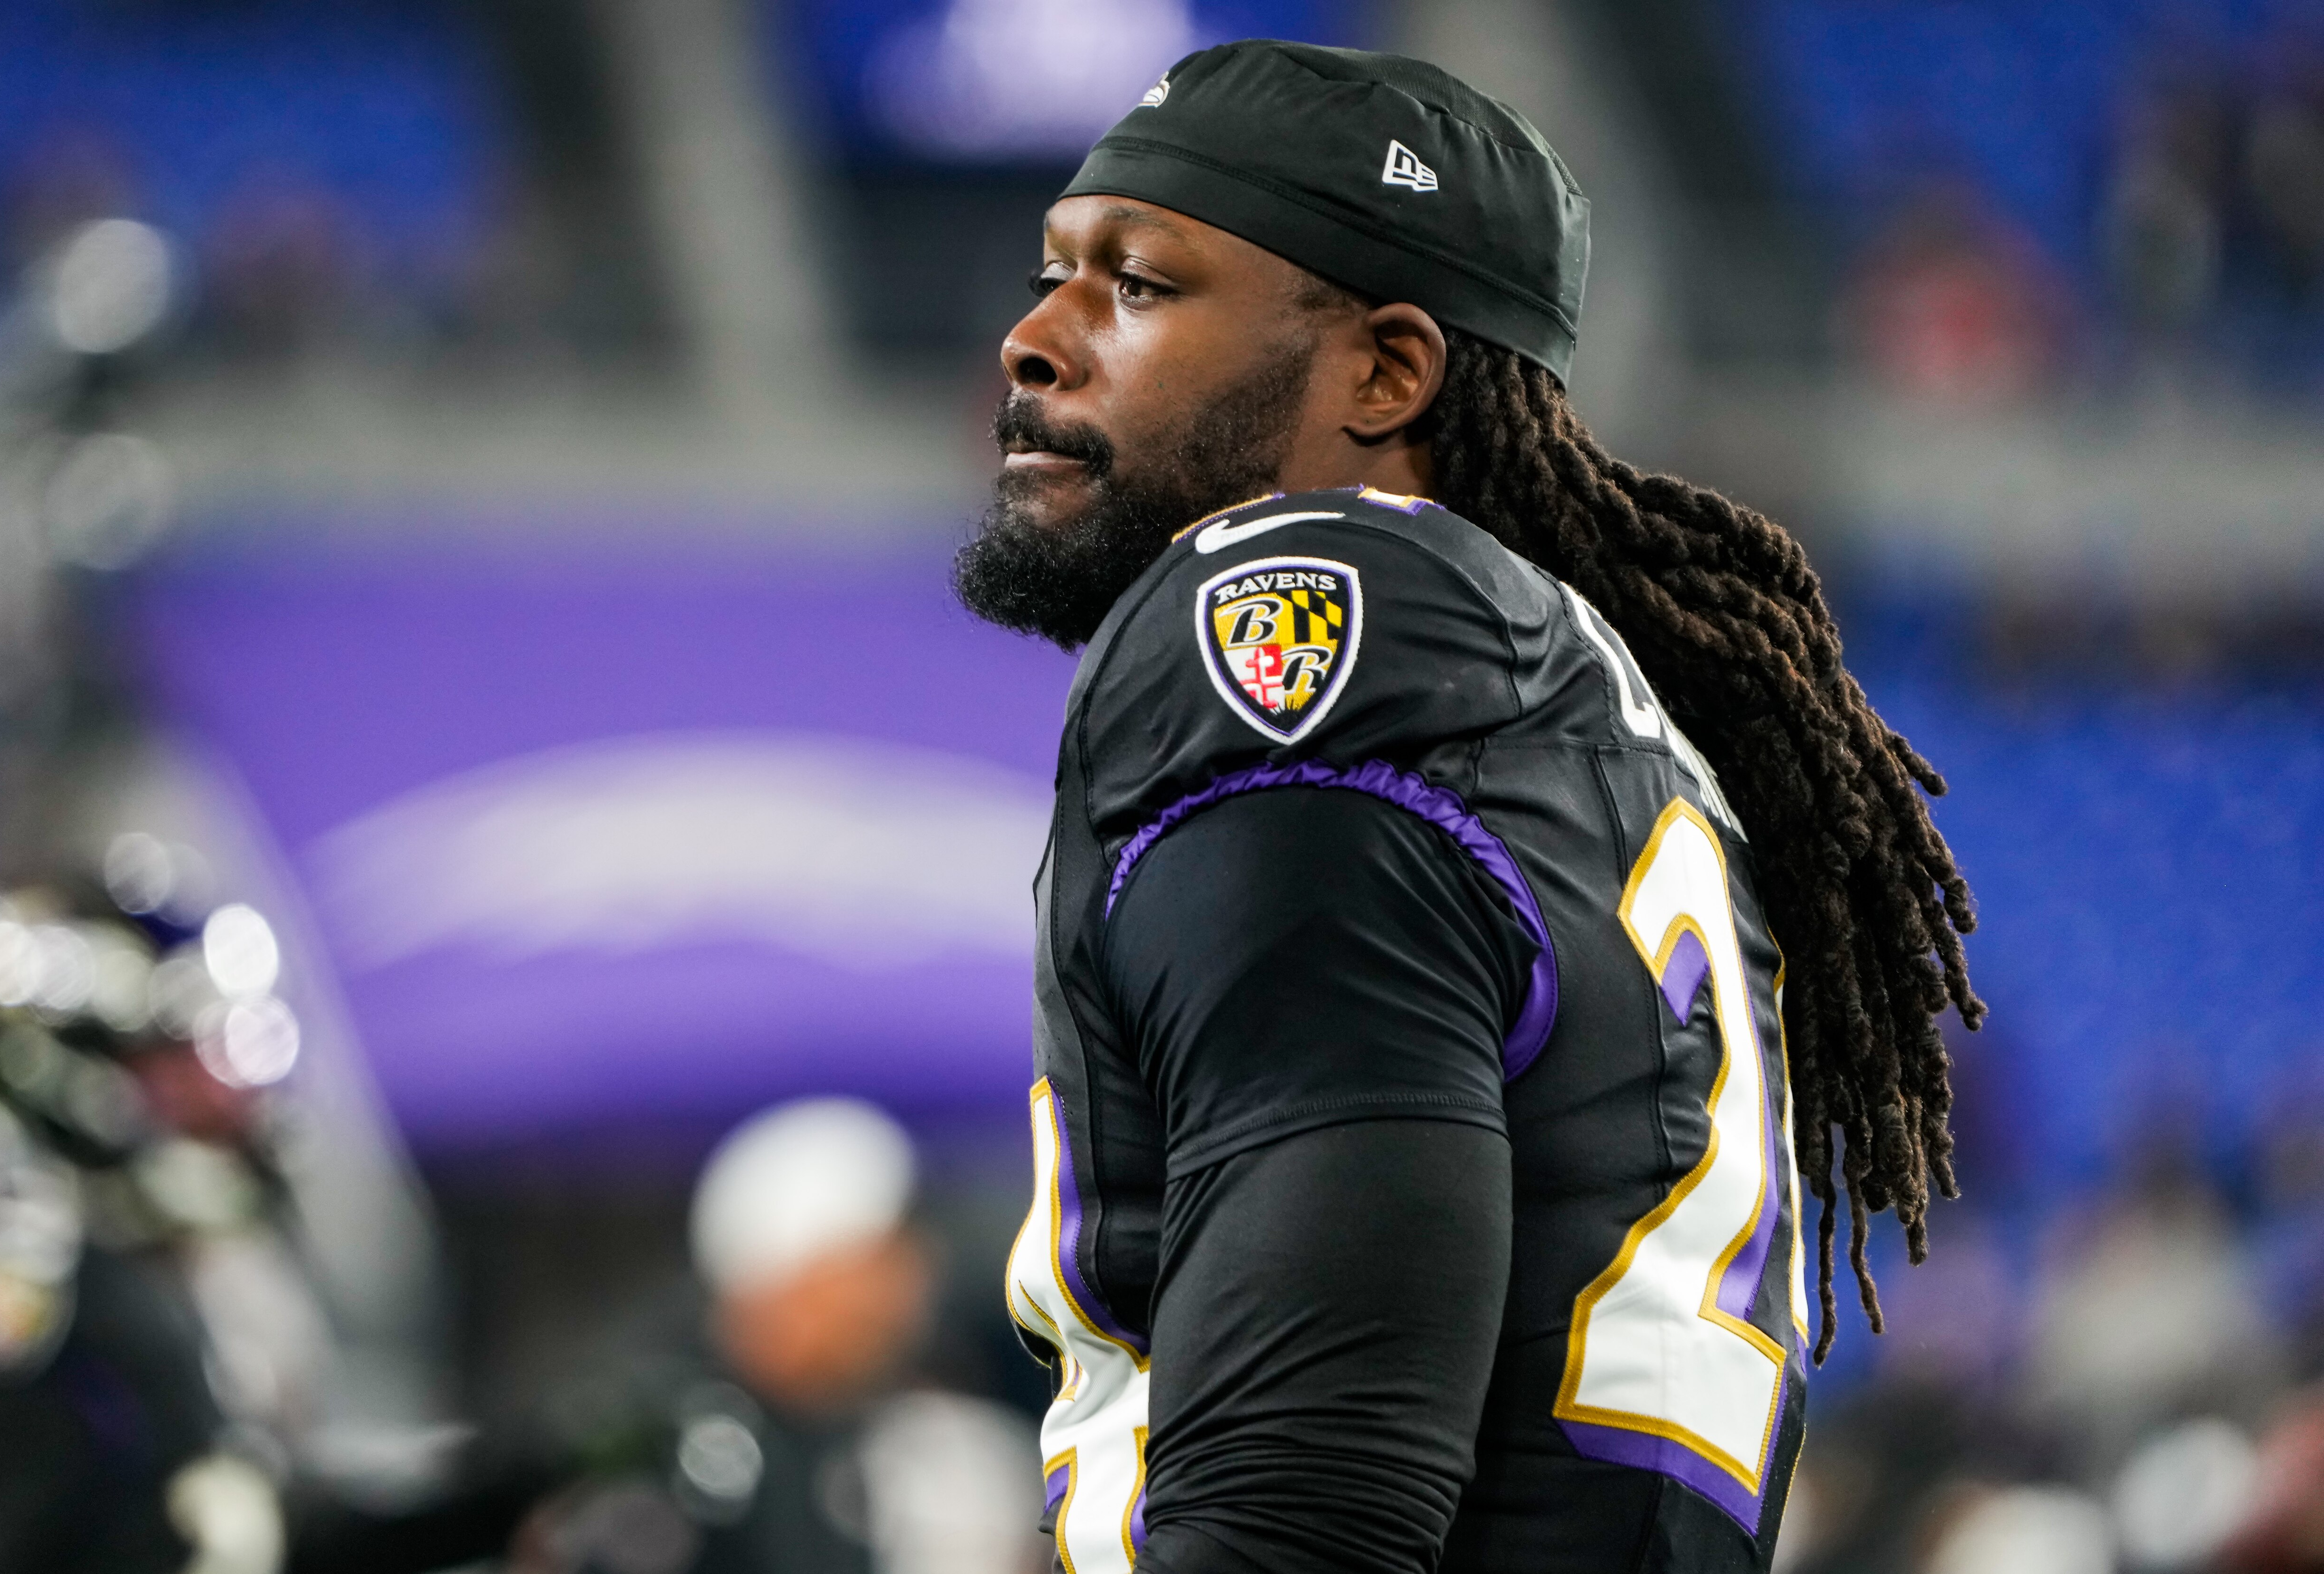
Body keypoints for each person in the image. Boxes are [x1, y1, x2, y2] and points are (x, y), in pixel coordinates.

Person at [951, 40, 1983, 1574]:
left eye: (1141, 284)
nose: (1035, 338)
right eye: (1055, 272)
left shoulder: (1297, 627)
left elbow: (1308, 1501)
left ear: (1386, 371)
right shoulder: (1550, 700)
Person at [513, 1098, 1041, 1574]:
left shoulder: (939, 1441)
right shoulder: (654, 1440)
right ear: (789, 1278)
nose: (913, 1275)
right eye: (878, 1254)